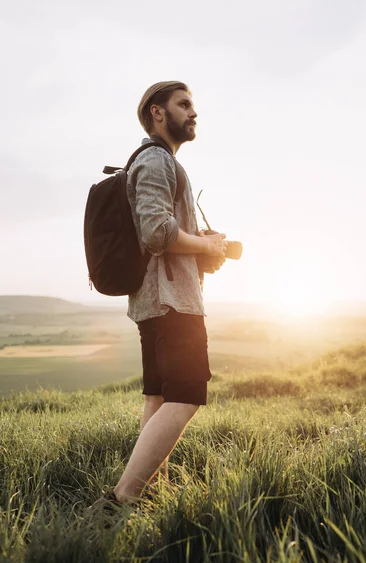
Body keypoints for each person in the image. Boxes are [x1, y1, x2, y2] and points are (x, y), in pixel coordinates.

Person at [100, 81, 227, 508]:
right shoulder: (157, 161)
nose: (193, 113)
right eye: (184, 104)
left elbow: (160, 235)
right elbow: (156, 232)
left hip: (154, 300)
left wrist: (204, 251)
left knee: (157, 397)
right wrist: (205, 246)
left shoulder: (157, 162)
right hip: (172, 301)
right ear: (158, 113)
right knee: (187, 395)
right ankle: (121, 500)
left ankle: (144, 492)